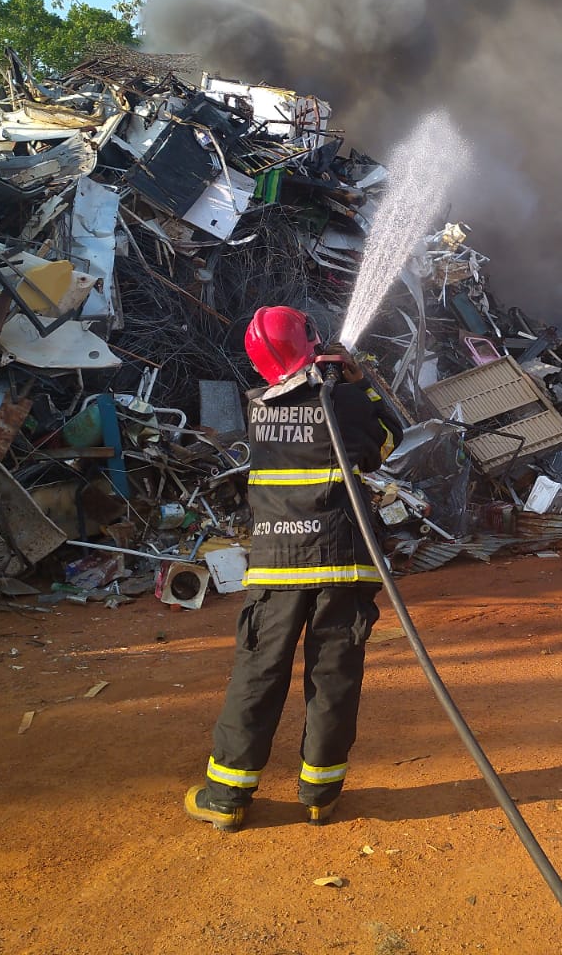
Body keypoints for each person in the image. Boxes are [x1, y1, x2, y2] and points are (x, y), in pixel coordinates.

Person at [185, 306, 402, 832]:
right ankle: (320, 796)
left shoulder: (258, 408)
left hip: (276, 567)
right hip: (342, 565)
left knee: (258, 674)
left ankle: (227, 798)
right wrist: (362, 384)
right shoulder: (344, 401)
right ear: (312, 343)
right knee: (334, 678)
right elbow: (389, 441)